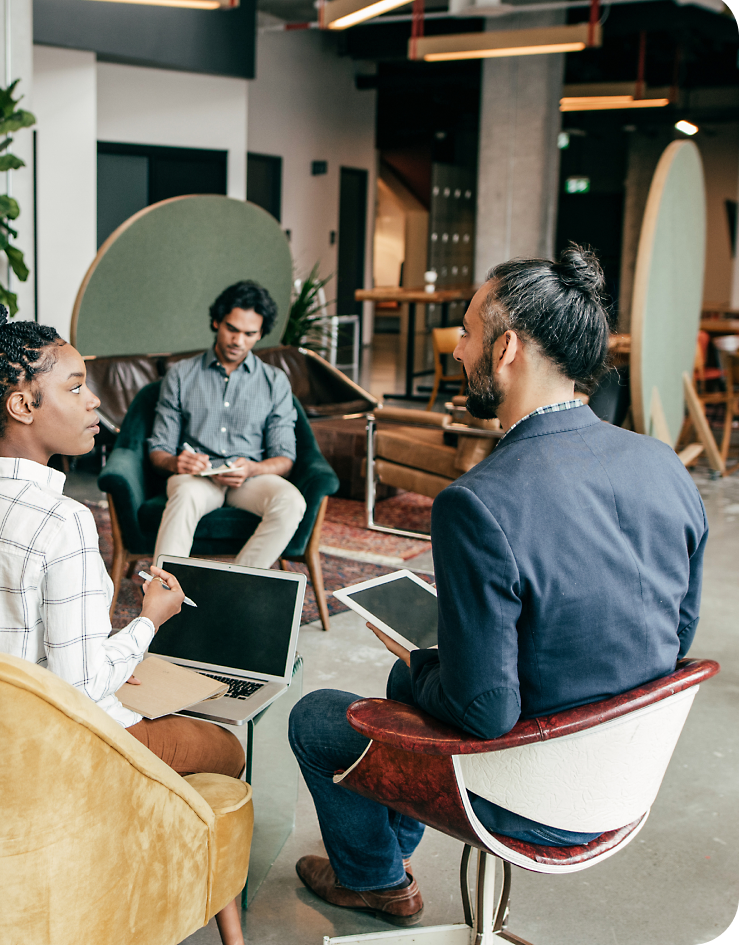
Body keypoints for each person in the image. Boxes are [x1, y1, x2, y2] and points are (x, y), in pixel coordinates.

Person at [286, 246, 707, 927]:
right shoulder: (664, 465)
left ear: (506, 348)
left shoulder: (478, 502)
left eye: (468, 331)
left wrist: (421, 665)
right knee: (409, 687)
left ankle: (371, 878)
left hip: (531, 792)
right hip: (625, 778)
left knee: (316, 717)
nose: (457, 348)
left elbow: (486, 714)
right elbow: (676, 637)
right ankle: (386, 864)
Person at [0, 292, 248, 945]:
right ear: (22, 405)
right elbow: (82, 689)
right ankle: (134, 877)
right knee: (228, 750)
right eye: (75, 387)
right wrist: (150, 618)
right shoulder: (62, 520)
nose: (96, 400)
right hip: (53, 752)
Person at [148, 280, 305, 570]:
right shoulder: (181, 375)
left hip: (250, 478)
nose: (238, 341)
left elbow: (285, 457)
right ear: (216, 322)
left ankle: (235, 585)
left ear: (260, 334)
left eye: (250, 333)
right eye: (232, 329)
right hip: (197, 479)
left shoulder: (275, 382)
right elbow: (158, 450)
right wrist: (177, 463)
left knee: (291, 502)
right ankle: (162, 593)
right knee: (183, 495)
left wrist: (253, 468)